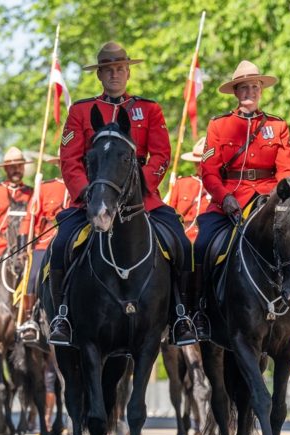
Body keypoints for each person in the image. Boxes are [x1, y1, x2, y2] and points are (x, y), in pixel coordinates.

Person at [51, 41, 195, 346]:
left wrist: (138, 187)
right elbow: (70, 160)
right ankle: (62, 314)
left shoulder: (149, 109)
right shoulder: (81, 111)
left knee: (180, 243)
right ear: (100, 75)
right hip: (95, 198)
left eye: (120, 69)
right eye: (108, 70)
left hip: (141, 199)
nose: (114, 74)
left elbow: (161, 155)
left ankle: (182, 314)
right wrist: (87, 193)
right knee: (61, 244)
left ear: (127, 72)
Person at [194, 60, 290, 341]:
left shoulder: (278, 126)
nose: (250, 92)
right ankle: (198, 311)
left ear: (261, 90)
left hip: (271, 202)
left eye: (254, 87)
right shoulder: (219, 126)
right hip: (230, 203)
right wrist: (224, 198)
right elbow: (209, 171)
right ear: (236, 92)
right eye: (244, 88)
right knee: (201, 245)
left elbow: (287, 172)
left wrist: (275, 199)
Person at [18, 154, 66, 342]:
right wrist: (24, 247)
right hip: (46, 242)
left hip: (76, 242)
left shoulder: (84, 185)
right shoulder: (45, 187)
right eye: (64, 162)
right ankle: (30, 318)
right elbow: (30, 219)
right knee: (33, 273)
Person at [166, 136, 211, 242]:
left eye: (202, 162)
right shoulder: (181, 184)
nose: (199, 166)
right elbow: (170, 214)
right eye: (196, 163)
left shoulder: (220, 186)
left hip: (207, 238)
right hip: (183, 239)